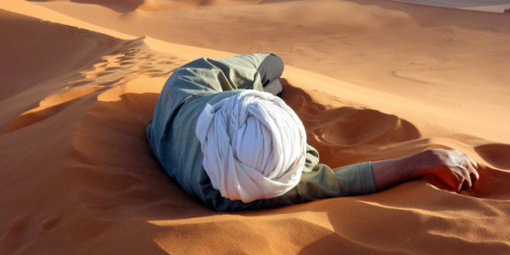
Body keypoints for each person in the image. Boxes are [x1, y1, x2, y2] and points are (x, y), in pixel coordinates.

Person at [146, 53, 479, 211]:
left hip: (189, 89)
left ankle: (264, 90)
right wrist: (426, 159)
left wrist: (424, 160)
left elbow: (339, 181)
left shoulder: (232, 189)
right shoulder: (252, 189)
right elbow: (345, 182)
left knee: (272, 71)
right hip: (192, 112)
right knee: (273, 68)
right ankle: (267, 90)